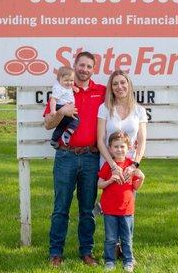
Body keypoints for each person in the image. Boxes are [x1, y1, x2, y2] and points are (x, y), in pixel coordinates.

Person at [43, 51, 106, 267]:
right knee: (61, 207)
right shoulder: (62, 89)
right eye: (81, 65)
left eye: (89, 66)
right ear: (74, 65)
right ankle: (55, 253)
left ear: (93, 69)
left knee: (87, 209)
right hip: (65, 155)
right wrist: (63, 111)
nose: (84, 69)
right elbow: (48, 124)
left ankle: (87, 252)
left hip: (91, 156)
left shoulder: (102, 91)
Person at [98, 131, 145, 272]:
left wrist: (141, 178)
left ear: (128, 147)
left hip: (127, 209)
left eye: (122, 146)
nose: (119, 149)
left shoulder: (131, 166)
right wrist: (110, 180)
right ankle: (110, 260)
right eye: (116, 146)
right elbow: (99, 184)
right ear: (110, 148)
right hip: (109, 209)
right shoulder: (108, 166)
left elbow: (135, 186)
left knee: (126, 238)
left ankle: (128, 261)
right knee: (111, 238)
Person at [97, 69, 147, 183]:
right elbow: (100, 140)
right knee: (110, 198)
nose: (119, 86)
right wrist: (113, 166)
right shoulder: (104, 108)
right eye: (115, 84)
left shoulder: (139, 110)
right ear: (111, 88)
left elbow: (142, 141)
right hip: (108, 163)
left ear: (128, 84)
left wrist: (134, 165)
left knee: (128, 198)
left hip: (130, 165)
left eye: (123, 82)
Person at [49, 65, 79, 149]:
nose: (69, 83)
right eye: (66, 80)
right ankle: (68, 133)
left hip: (65, 107)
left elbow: (68, 87)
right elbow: (53, 100)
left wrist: (73, 87)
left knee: (61, 126)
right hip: (61, 107)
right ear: (59, 80)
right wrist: (53, 111)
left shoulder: (66, 86)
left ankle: (54, 140)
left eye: (71, 80)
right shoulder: (58, 89)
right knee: (76, 119)